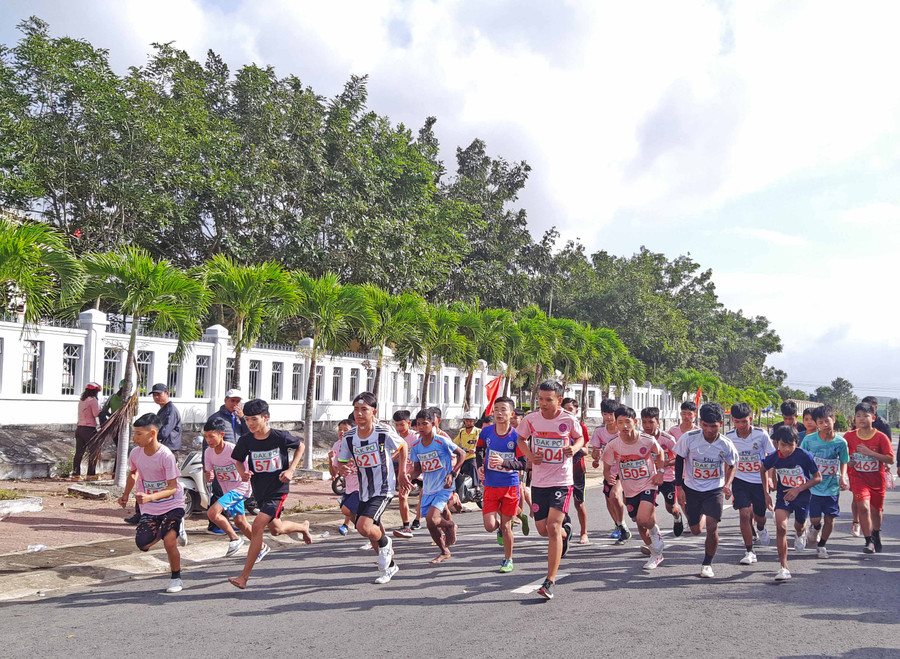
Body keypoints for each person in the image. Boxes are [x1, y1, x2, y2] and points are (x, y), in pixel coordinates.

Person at [228, 399, 312, 589]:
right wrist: (243, 473)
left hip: (278, 490)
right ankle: (302, 527)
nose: (249, 423)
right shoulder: (246, 440)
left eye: (254, 419)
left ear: (265, 418)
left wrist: (291, 469)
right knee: (277, 529)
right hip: (260, 491)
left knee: (257, 526)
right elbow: (238, 461)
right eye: (247, 419)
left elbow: (301, 446)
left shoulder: (279, 436)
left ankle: (244, 577)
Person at [516, 379, 584, 600]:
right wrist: (529, 455)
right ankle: (566, 533)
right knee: (543, 529)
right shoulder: (531, 419)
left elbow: (580, 437)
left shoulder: (568, 419)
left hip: (562, 480)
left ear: (559, 400)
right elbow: (521, 439)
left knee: (553, 527)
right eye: (540, 399)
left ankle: (550, 581)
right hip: (539, 482)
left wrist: (573, 448)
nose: (543, 404)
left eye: (548, 400)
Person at [338, 392, 411, 584]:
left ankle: (386, 544)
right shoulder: (349, 437)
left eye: (364, 410)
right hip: (364, 490)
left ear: (373, 412)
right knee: (369, 531)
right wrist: (342, 468)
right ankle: (391, 566)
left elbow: (403, 446)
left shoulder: (382, 431)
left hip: (384, 487)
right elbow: (341, 461)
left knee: (364, 526)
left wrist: (402, 473)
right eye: (356, 410)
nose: (359, 414)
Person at [116, 413, 188, 593]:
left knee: (169, 541)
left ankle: (176, 578)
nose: (134, 438)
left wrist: (149, 497)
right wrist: (126, 495)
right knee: (143, 544)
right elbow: (133, 473)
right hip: (150, 507)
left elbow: (172, 487)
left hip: (173, 503)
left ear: (152, 433)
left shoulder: (166, 456)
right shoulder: (135, 453)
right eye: (135, 433)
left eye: (139, 434)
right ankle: (168, 530)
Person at [674, 402, 739, 578]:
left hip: (714, 489)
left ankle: (707, 564)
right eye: (706, 425)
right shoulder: (689, 438)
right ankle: (698, 516)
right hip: (692, 488)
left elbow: (732, 465)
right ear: (701, 422)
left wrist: (727, 484)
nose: (709, 430)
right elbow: (679, 461)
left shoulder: (726, 444)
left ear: (721, 424)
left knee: (712, 527)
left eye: (714, 426)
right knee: (696, 530)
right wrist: (679, 487)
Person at [604, 407, 666, 570]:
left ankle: (655, 537)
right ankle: (656, 553)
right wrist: (608, 475)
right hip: (629, 488)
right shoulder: (613, 445)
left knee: (642, 518)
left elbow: (660, 454)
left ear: (635, 422)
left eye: (627, 422)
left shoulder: (647, 440)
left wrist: (660, 472)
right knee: (639, 524)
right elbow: (606, 466)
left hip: (648, 484)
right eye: (620, 422)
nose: (624, 426)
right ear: (616, 424)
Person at [763, 425, 821, 581]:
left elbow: (817, 478)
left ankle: (800, 533)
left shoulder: (804, 456)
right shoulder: (774, 456)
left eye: (791, 445)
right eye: (783, 445)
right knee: (781, 526)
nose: (787, 449)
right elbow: (763, 469)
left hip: (802, 497)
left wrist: (798, 489)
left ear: (797, 442)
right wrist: (766, 493)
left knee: (799, 525)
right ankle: (783, 567)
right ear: (777, 444)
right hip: (783, 497)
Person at [409, 408, 466, 563]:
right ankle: (444, 551)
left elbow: (462, 454)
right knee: (429, 523)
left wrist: (452, 473)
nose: (420, 427)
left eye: (424, 424)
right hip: (428, 488)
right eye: (418, 424)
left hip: (444, 486)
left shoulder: (441, 441)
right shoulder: (416, 446)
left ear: (433, 424)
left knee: (432, 518)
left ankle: (449, 525)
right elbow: (417, 469)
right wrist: (408, 478)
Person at [478, 396, 527, 572]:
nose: (499, 413)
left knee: (506, 526)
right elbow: (479, 449)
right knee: (490, 526)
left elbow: (523, 464)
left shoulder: (516, 436)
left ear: (511, 414)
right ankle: (516, 516)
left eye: (503, 409)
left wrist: (504, 463)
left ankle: (508, 559)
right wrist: (479, 467)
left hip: (509, 484)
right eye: (496, 409)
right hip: (491, 484)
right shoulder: (486, 432)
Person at [724, 402, 776, 565]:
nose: (740, 425)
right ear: (733, 421)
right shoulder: (729, 437)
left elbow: (771, 458)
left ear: (751, 419)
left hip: (759, 481)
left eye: (744, 422)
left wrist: (769, 478)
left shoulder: (761, 435)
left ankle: (760, 528)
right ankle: (749, 551)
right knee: (744, 514)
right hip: (740, 481)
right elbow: (728, 461)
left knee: (760, 517)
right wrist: (727, 484)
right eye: (737, 422)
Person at [845, 402, 895, 553]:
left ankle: (876, 534)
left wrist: (870, 453)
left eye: (865, 416)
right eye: (858, 416)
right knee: (863, 507)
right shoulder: (849, 436)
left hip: (876, 480)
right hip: (858, 478)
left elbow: (890, 459)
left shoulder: (881, 437)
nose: (861, 419)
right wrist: (849, 461)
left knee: (876, 511)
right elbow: (841, 454)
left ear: (873, 418)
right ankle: (868, 542)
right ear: (854, 419)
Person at [800, 404, 850, 559]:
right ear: (816, 423)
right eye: (820, 422)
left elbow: (843, 461)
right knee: (815, 519)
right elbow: (802, 458)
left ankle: (822, 545)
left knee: (830, 518)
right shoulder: (809, 440)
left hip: (831, 486)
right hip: (813, 487)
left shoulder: (841, 443)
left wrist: (842, 476)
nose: (824, 425)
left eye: (827, 421)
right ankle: (814, 528)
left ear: (833, 420)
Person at [203, 417, 253, 557]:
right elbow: (209, 471)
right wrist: (210, 475)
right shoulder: (208, 452)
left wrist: (246, 474)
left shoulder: (233, 449)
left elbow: (247, 467)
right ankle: (260, 546)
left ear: (222, 435)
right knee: (240, 522)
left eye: (211, 436)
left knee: (212, 513)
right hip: (228, 491)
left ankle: (235, 539)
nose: (208, 440)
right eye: (206, 437)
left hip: (240, 488)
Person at [204, 389, 250, 534]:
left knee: (240, 519)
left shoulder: (239, 418)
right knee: (218, 493)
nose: (235, 404)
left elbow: (248, 434)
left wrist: (243, 418)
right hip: (220, 462)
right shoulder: (216, 418)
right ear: (225, 400)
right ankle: (215, 525)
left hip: (236, 465)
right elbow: (208, 441)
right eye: (232, 401)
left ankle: (256, 542)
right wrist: (208, 468)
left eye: (237, 401)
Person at [589, 399, 631, 542]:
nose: (608, 418)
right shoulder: (599, 432)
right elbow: (595, 451)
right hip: (609, 470)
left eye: (611, 414)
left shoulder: (623, 430)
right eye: (605, 414)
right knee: (609, 499)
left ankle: (626, 522)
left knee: (616, 495)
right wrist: (595, 456)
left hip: (625, 470)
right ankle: (619, 526)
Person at [640, 407, 684, 538]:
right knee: (648, 507)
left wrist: (665, 463)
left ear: (658, 422)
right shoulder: (639, 438)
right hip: (648, 478)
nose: (647, 425)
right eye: (644, 422)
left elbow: (679, 458)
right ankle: (655, 534)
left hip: (667, 478)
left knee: (670, 507)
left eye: (650, 422)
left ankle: (677, 516)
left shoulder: (667, 439)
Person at [562, 398, 591, 544]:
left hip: (577, 471)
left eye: (570, 409)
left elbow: (586, 449)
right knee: (559, 504)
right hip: (560, 472)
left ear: (576, 411)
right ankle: (563, 529)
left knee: (578, 503)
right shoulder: (557, 426)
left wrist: (575, 449)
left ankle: (584, 532)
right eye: (565, 409)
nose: (567, 412)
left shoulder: (581, 427)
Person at [392, 410, 419, 538]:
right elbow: (398, 452)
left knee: (430, 502)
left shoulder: (415, 437)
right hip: (406, 473)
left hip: (420, 471)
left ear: (409, 423)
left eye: (402, 425)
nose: (399, 428)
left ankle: (446, 525)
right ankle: (406, 526)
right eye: (397, 425)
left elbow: (420, 454)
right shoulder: (397, 438)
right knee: (402, 497)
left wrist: (412, 471)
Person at [329, 419, 356, 535]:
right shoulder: (337, 445)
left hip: (363, 484)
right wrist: (330, 461)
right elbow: (334, 473)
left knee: (346, 508)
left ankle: (374, 533)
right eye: (340, 429)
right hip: (349, 485)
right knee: (348, 510)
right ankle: (372, 532)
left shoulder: (358, 443)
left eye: (346, 430)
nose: (342, 432)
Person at [74, 382, 102, 480]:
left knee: (79, 453)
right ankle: (91, 474)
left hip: (79, 428)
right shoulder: (93, 400)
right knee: (93, 452)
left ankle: (75, 474)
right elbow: (95, 414)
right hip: (89, 429)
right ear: (95, 392)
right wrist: (102, 410)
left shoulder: (82, 400)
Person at [453, 411, 481, 491]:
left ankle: (477, 487)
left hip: (473, 456)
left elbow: (480, 442)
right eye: (467, 421)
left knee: (473, 467)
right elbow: (455, 442)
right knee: (457, 470)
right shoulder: (462, 432)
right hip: (463, 456)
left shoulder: (478, 431)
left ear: (474, 421)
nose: (468, 423)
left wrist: (475, 449)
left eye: (470, 421)